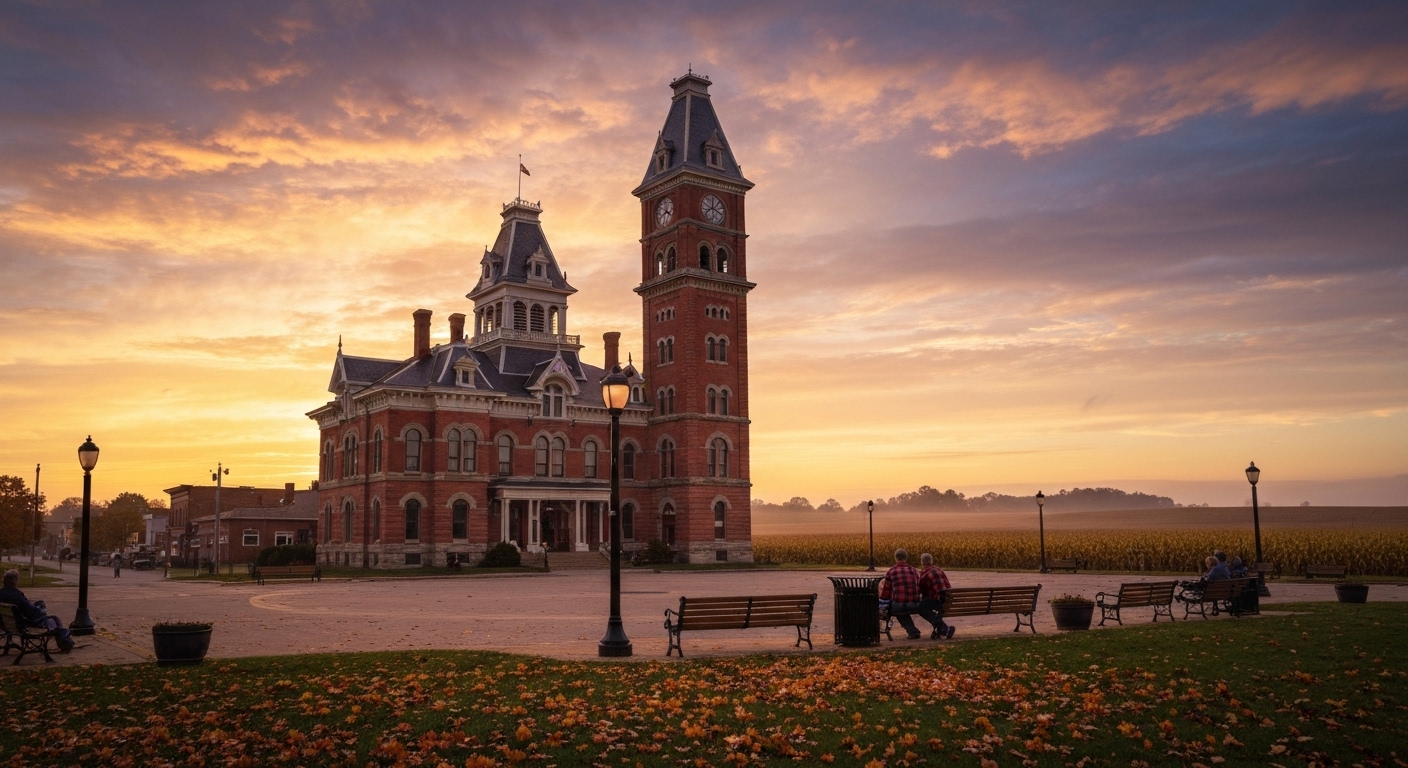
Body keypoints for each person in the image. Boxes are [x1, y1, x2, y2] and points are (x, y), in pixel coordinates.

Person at [0, 569, 75, 652]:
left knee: (50, 617)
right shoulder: (17, 595)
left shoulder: (1, 593)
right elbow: (32, 613)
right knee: (54, 619)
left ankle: (66, 642)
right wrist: (41, 610)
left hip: (6, 625)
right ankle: (66, 644)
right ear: (15, 581)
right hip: (25, 625)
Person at [879, 548, 924, 639]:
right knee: (901, 607)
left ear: (896, 558)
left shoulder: (891, 571)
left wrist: (882, 602)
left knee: (897, 608)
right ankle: (913, 631)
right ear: (906, 558)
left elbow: (886, 593)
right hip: (916, 604)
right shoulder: (915, 571)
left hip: (900, 605)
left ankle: (912, 631)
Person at [917, 553, 955, 640]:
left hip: (936, 601)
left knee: (921, 608)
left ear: (922, 562)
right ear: (931, 561)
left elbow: (921, 590)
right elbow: (948, 586)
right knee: (925, 606)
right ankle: (940, 629)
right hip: (946, 600)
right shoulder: (939, 570)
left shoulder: (924, 573)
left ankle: (944, 628)